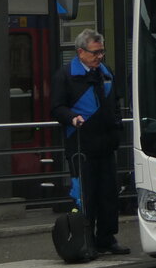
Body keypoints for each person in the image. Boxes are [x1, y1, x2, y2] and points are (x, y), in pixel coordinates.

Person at [51, 29, 129, 255]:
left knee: (108, 194)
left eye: (102, 52)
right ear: (80, 52)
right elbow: (56, 107)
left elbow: (114, 102)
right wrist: (71, 118)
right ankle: (86, 240)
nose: (100, 57)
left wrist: (116, 125)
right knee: (86, 195)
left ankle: (107, 237)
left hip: (105, 143)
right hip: (81, 146)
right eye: (95, 53)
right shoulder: (65, 75)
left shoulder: (105, 73)